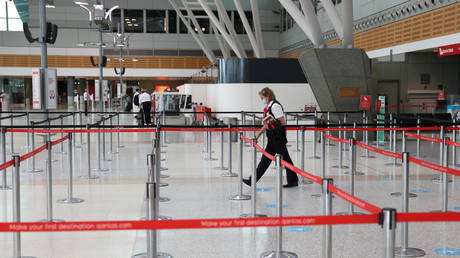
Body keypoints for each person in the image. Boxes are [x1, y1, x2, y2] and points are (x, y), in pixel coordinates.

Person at [243, 87, 299, 188]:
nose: (262, 100)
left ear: (268, 96)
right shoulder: (268, 107)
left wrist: (271, 123)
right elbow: (266, 124)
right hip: (272, 138)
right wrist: (258, 135)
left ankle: (293, 181)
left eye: (262, 98)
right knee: (266, 160)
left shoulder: (275, 106)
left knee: (283, 159)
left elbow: (282, 122)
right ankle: (253, 180)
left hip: (278, 138)